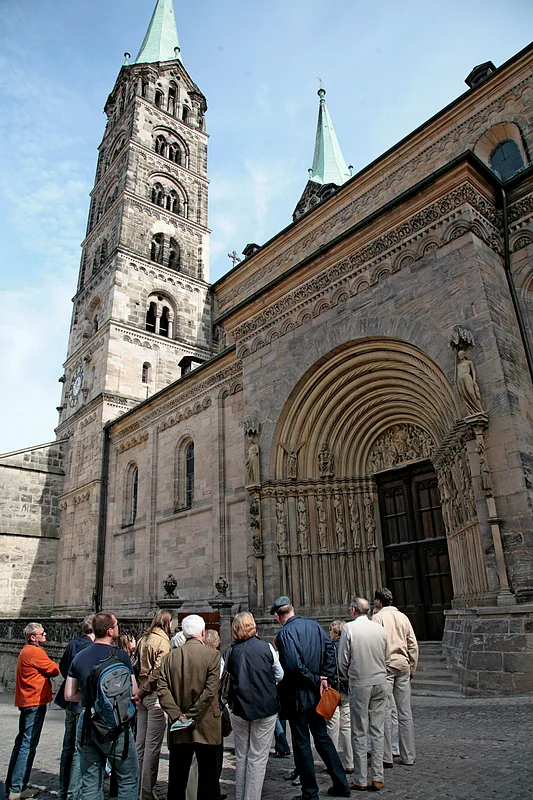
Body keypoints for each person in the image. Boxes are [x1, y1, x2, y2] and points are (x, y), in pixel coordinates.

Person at [272, 596, 350, 800]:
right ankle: (341, 784)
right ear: (292, 609)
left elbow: (293, 666)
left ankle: (310, 793)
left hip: (298, 697)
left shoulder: (285, 633)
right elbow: (330, 650)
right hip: (317, 694)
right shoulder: (314, 626)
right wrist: (325, 677)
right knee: (322, 738)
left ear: (277, 616)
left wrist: (317, 679)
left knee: (302, 742)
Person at [64, 611, 138, 800]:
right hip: (115, 721)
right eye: (116, 625)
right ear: (110, 631)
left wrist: (93, 696)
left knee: (90, 781)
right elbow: (134, 690)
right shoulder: (120, 655)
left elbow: (69, 695)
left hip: (88, 720)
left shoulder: (80, 657)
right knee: (128, 778)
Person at [157, 614, 221, 800]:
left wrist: (178, 715)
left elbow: (162, 690)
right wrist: (191, 715)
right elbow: (210, 692)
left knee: (177, 780)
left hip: (179, 727)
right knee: (208, 780)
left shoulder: (169, 658)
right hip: (206, 726)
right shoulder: (212, 655)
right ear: (202, 632)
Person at [224, 611, 283, 800]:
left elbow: (223, 679)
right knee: (258, 757)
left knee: (241, 755)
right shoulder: (266, 647)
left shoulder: (230, 651)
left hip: (239, 708)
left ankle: (240, 796)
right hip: (265, 707)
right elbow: (280, 674)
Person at [338, 598, 390, 792]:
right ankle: (377, 777)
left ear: (353, 610)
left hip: (360, 682)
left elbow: (343, 660)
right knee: (378, 730)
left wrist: (351, 675)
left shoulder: (349, 628)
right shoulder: (379, 628)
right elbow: (387, 657)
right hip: (380, 681)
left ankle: (360, 779)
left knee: (359, 731)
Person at [5, 623, 60, 800]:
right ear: (33, 637)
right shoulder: (35, 652)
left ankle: (12, 784)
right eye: (41, 633)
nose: (45, 634)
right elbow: (54, 669)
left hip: (27, 701)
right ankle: (17, 788)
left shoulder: (26, 651)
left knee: (21, 742)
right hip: (34, 701)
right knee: (27, 745)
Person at [373, 587, 418, 767]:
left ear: (379, 601)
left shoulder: (378, 618)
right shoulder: (403, 617)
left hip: (386, 667)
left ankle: (387, 756)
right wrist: (412, 667)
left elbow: (375, 644)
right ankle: (409, 755)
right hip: (403, 667)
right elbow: (412, 645)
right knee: (405, 713)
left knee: (385, 712)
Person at [56, 616, 95, 800]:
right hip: (82, 702)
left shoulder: (73, 643)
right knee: (80, 749)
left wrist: (72, 684)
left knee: (67, 746)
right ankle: (74, 793)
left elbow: (63, 668)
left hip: (70, 701)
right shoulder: (92, 648)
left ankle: (63, 790)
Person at [135, 610, 172, 800]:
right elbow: (158, 672)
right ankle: (147, 793)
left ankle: (137, 789)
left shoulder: (143, 639)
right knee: (152, 747)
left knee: (140, 745)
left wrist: (139, 692)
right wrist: (144, 691)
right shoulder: (163, 641)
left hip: (141, 696)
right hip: (153, 695)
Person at [327, 620, 353, 775]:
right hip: (346, 688)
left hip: (333, 688)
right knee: (347, 725)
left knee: (333, 725)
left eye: (331, 630)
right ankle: (350, 762)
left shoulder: (330, 647)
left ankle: (333, 762)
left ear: (336, 633)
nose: (329, 633)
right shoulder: (349, 646)